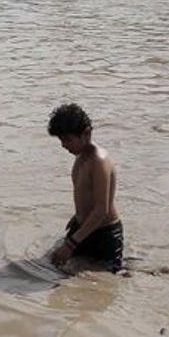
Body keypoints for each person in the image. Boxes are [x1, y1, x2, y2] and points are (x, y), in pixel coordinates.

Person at [46, 103, 123, 273]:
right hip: (83, 228)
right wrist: (77, 217)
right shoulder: (81, 156)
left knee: (107, 278)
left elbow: (101, 210)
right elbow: (86, 193)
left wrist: (71, 243)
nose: (63, 145)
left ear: (86, 133)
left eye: (67, 140)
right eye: (61, 140)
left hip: (104, 234)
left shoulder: (99, 161)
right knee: (54, 263)